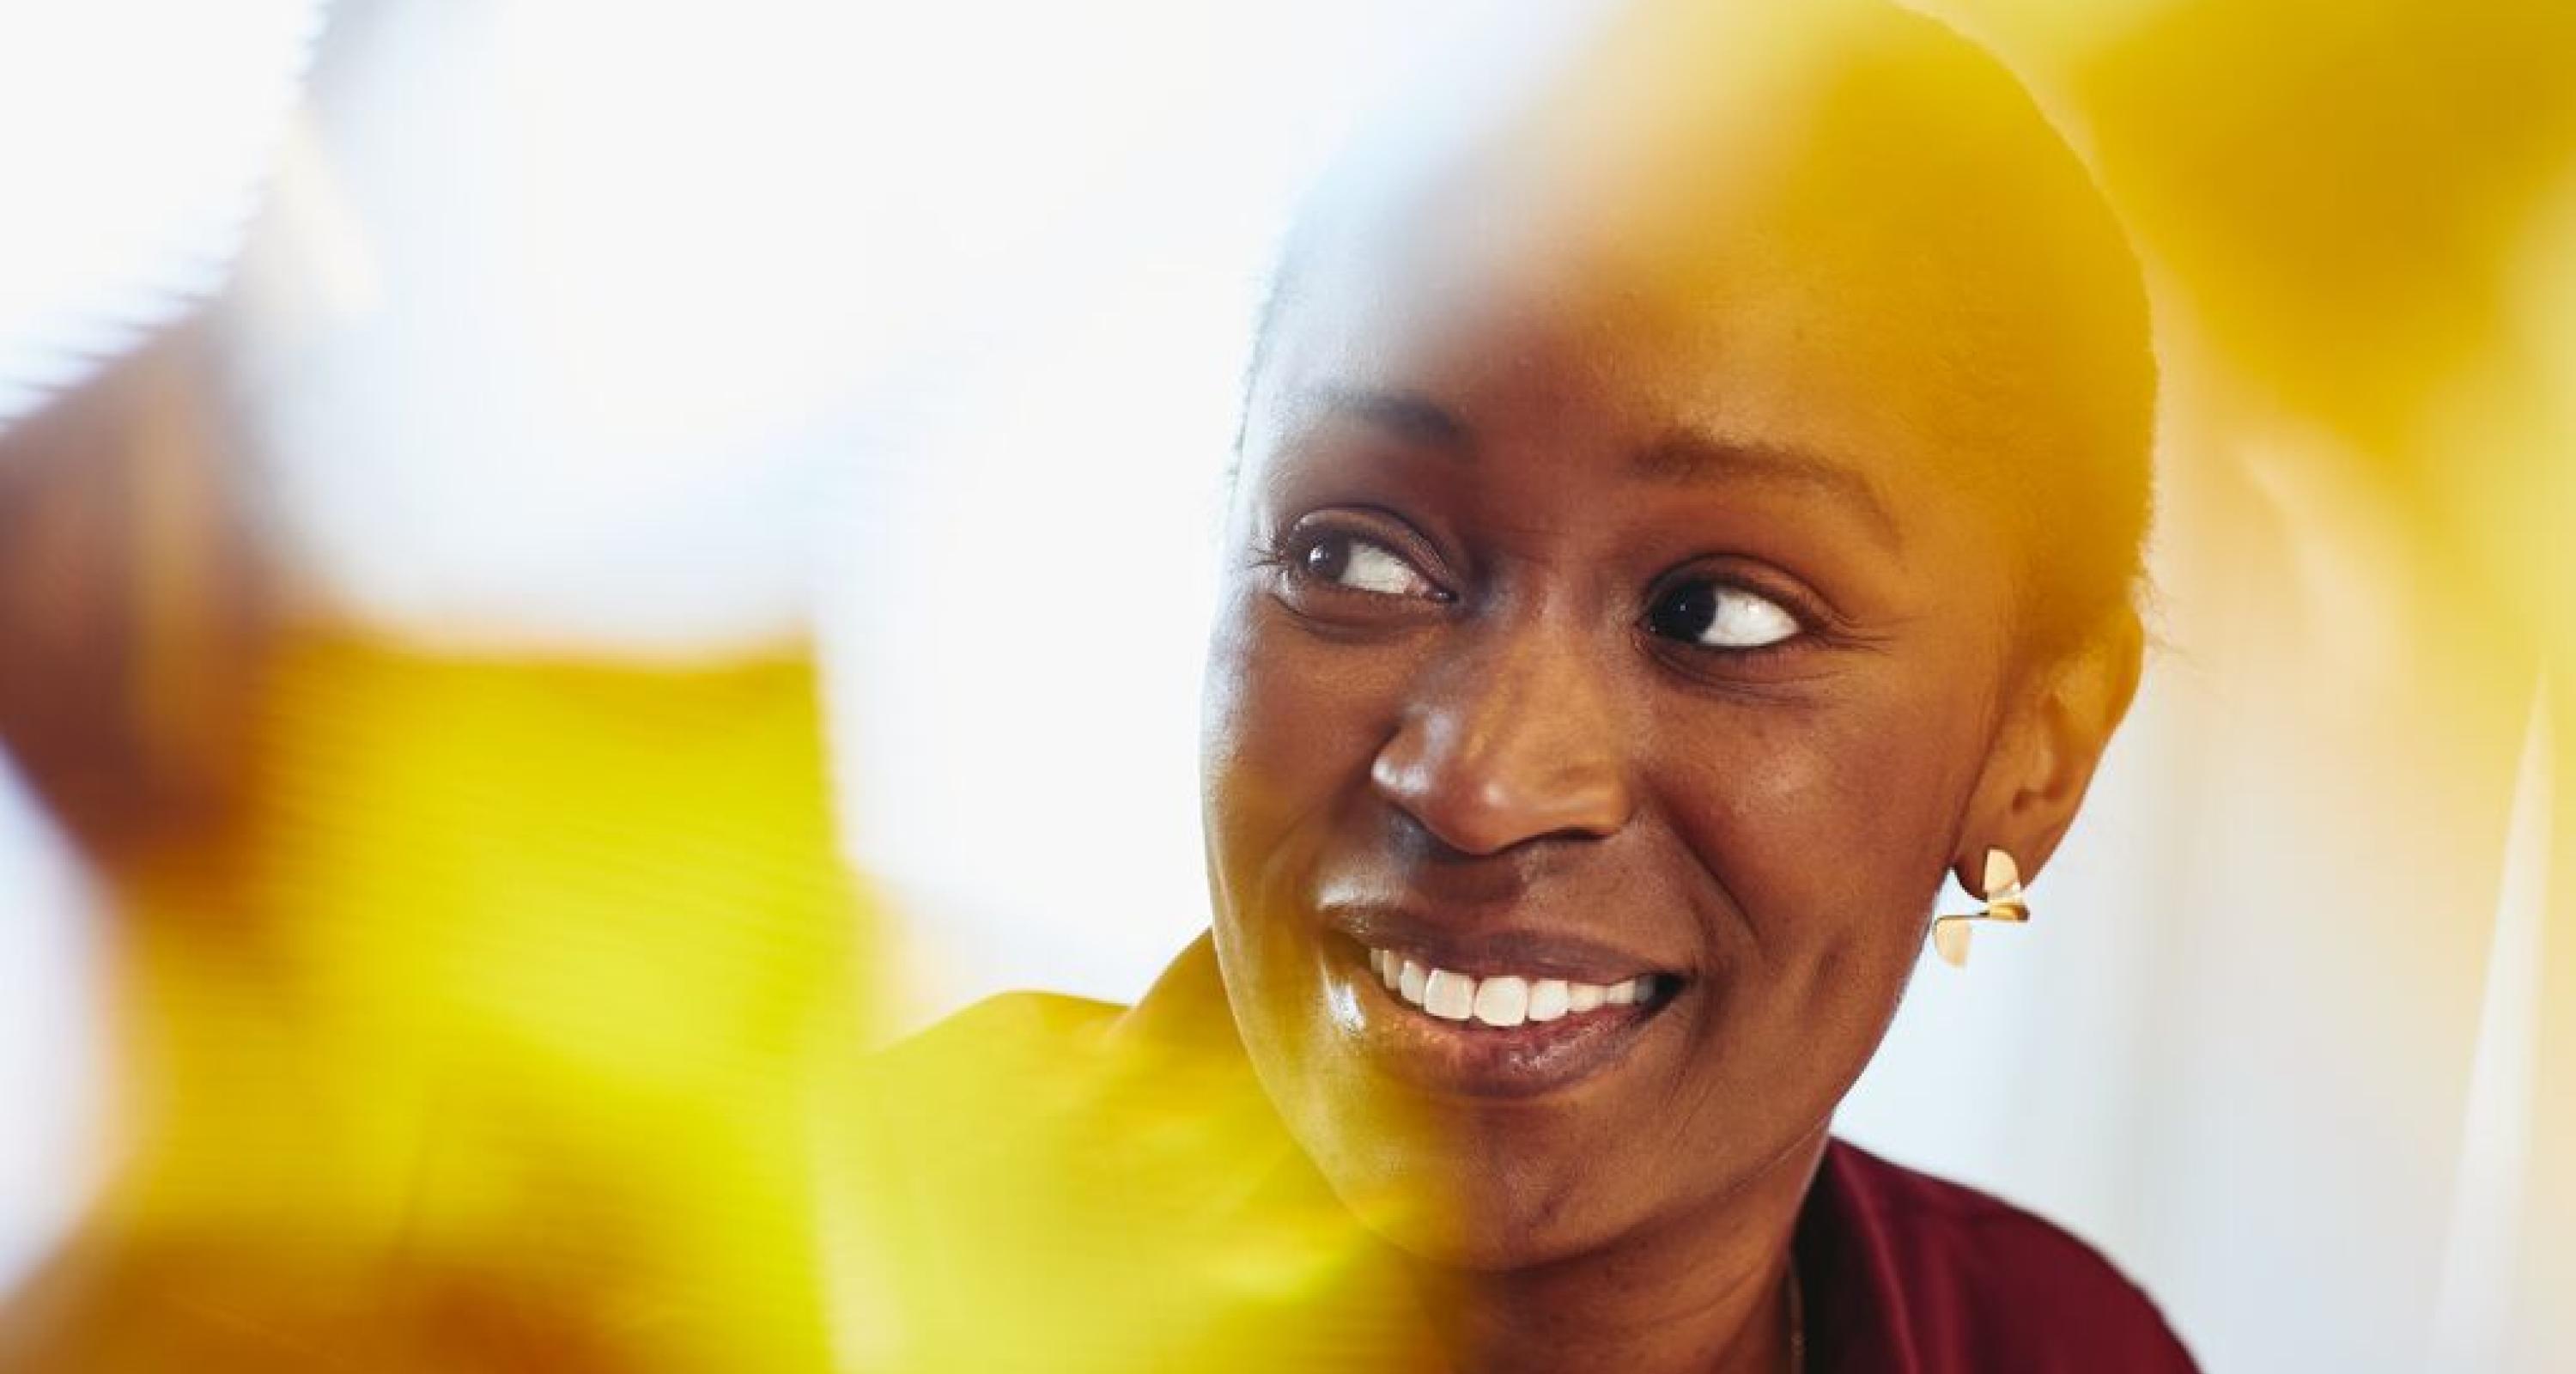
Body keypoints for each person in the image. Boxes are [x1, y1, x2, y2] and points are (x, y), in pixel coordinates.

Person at [838, 2, 2196, 1370]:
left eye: (1717, 614)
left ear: (2040, 750)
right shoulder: (785, 1267)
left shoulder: (2054, 1345)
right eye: (1355, 557)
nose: (1479, 784)